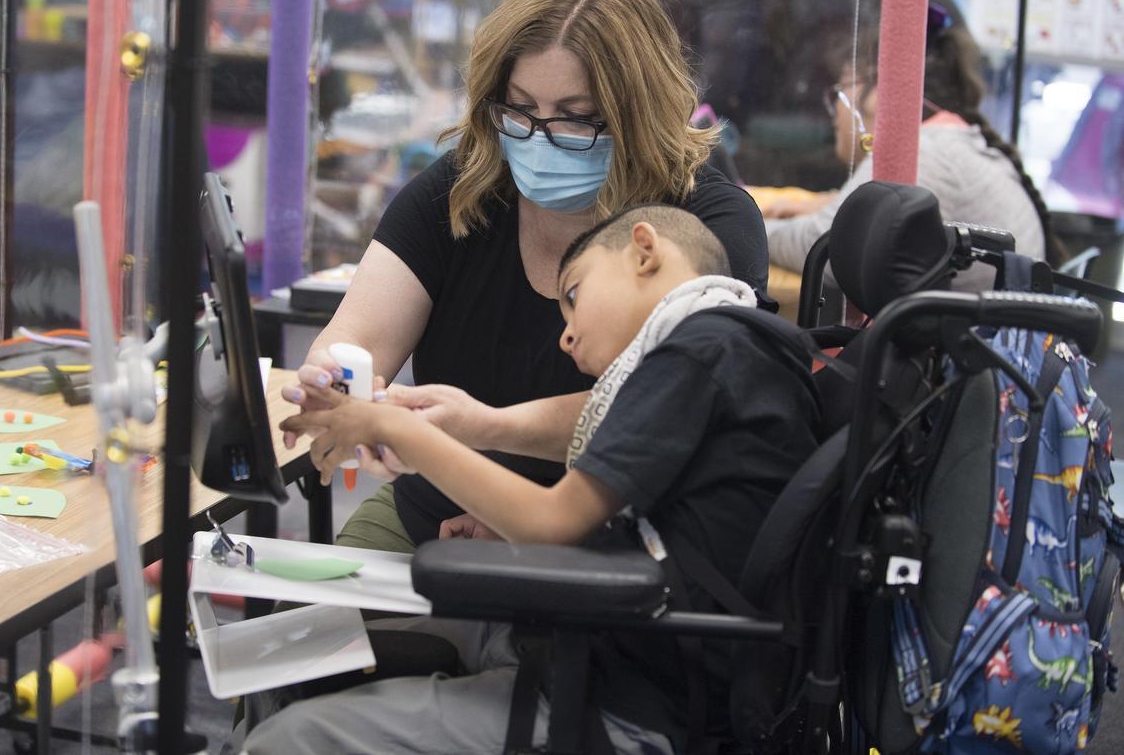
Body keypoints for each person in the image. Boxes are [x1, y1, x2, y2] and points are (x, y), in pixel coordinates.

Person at [246, 205, 820, 754]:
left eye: (573, 297)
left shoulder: (698, 353)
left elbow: (551, 522)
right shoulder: (733, 351)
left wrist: (400, 431)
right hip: (608, 646)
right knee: (299, 658)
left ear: (644, 252)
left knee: (289, 736)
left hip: (627, 695)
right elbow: (673, 529)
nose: (565, 338)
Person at [283, 0, 770, 554]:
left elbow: (663, 412)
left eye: (576, 119)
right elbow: (356, 337)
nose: (539, 138)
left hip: (621, 540)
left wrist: (469, 427)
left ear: (638, 114)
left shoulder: (705, 228)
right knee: (314, 637)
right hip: (437, 515)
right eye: (519, 109)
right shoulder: (462, 191)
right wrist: (337, 380)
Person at [764, 9, 1057, 291]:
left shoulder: (921, 154)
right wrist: (827, 204)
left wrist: (744, 229)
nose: (834, 111)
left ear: (879, 92)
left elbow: (827, 250)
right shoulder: (947, 144)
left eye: (842, 89)